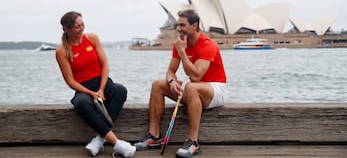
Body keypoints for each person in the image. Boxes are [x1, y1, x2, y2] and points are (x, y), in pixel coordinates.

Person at [134, 9, 226, 158]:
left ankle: (193, 142)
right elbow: (170, 71)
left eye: (182, 25)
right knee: (157, 85)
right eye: (178, 25)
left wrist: (182, 52)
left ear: (194, 25)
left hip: (215, 89)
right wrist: (171, 82)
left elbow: (196, 76)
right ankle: (154, 137)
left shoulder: (207, 45)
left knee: (191, 86)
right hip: (193, 89)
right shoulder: (180, 44)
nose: (178, 29)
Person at [55, 11, 136, 158]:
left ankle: (99, 139)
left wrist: (101, 89)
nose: (81, 28)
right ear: (67, 29)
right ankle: (117, 144)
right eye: (77, 26)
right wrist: (92, 93)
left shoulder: (92, 38)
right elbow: (70, 81)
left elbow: (105, 65)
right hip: (83, 89)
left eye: (82, 24)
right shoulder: (61, 51)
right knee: (81, 102)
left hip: (103, 84)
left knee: (120, 90)